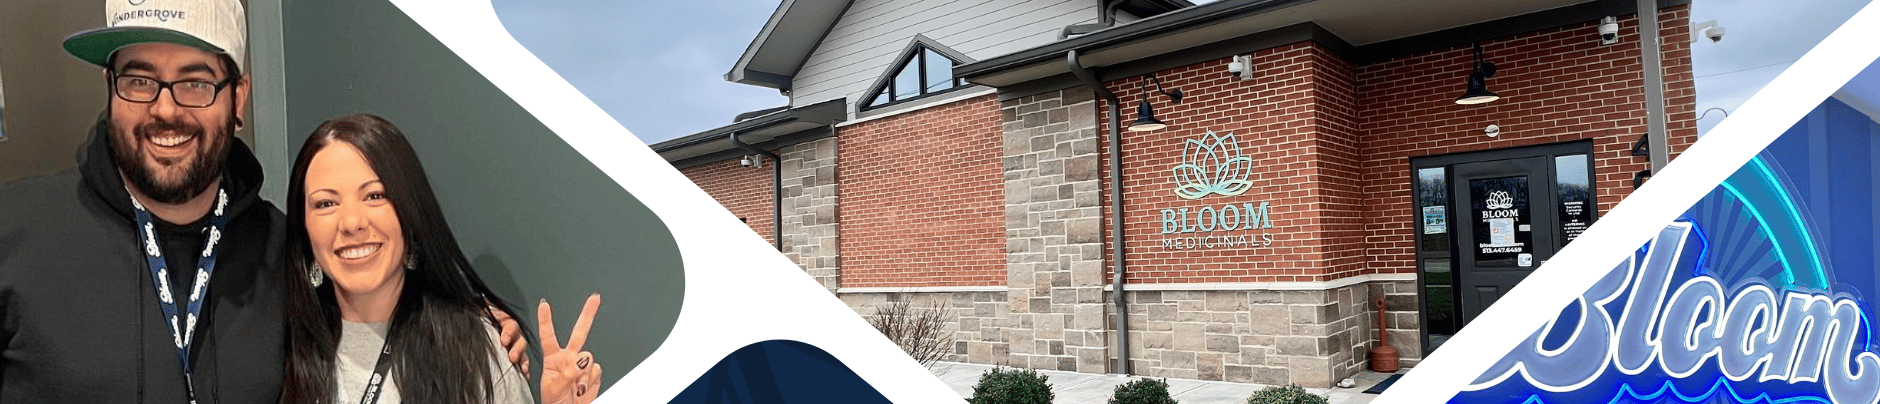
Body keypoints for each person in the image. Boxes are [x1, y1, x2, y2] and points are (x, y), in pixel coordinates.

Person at [0, 0, 543, 402]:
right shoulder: (15, 231)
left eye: (195, 83)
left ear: (238, 97)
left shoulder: (286, 251)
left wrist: (475, 333)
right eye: (139, 80)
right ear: (110, 86)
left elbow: (379, 304)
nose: (164, 110)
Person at [282, 113, 603, 404]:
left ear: (410, 213)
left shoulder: (476, 352)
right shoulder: (278, 352)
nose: (352, 222)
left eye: (375, 195)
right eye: (325, 204)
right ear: (304, 227)